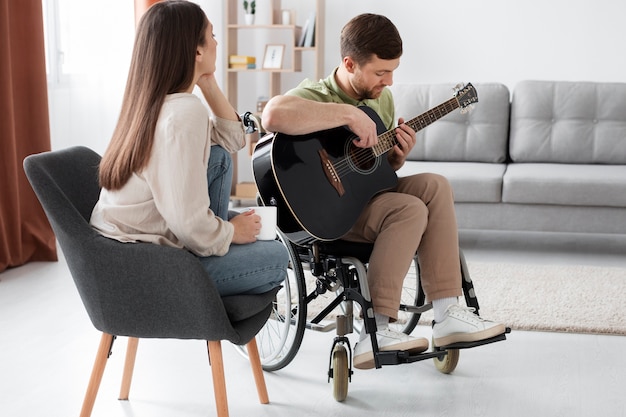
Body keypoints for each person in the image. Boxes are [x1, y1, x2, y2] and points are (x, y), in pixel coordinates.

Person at [262, 13, 505, 369]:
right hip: (329, 212)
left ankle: (447, 312)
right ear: (349, 64)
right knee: (409, 210)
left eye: (393, 71)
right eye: (380, 73)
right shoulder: (316, 94)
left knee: (435, 185)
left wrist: (396, 157)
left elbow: (375, 174)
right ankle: (377, 329)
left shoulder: (384, 102)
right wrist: (348, 114)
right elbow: (273, 116)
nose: (389, 82)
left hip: (367, 201)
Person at [90, 0, 288, 297]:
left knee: (218, 156)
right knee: (276, 257)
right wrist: (232, 232)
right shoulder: (183, 113)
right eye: (212, 35)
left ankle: (213, 247)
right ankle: (208, 266)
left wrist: (207, 82)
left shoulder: (152, 102)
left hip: (116, 257)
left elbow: (231, 142)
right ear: (196, 51)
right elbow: (186, 222)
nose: (217, 43)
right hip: (143, 267)